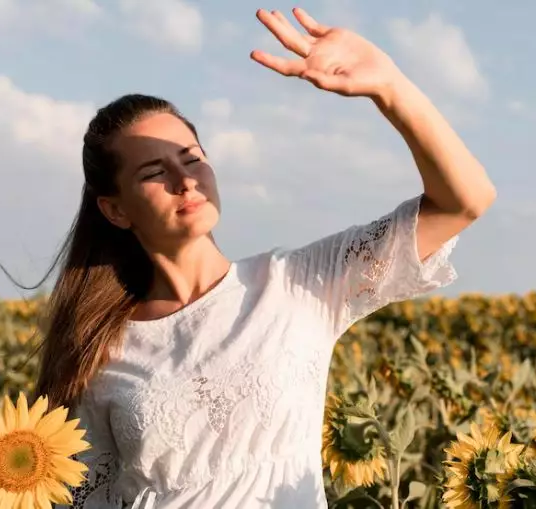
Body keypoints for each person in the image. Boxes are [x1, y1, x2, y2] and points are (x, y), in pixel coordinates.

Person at [39, 7, 496, 509]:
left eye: (192, 158)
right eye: (155, 171)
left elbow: (464, 201)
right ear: (115, 209)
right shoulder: (99, 350)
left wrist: (389, 87)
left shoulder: (299, 283)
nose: (185, 179)